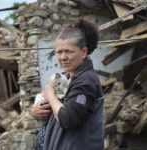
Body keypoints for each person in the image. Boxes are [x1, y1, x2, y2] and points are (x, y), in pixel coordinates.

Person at [31, 19, 104, 150]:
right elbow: (43, 97)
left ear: (84, 52)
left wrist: (51, 95)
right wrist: (36, 111)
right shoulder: (64, 77)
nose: (63, 57)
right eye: (59, 52)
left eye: (69, 51)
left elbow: (69, 119)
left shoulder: (86, 81)